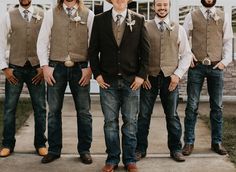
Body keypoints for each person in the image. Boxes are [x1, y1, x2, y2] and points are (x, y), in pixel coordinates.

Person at [88, 0, 150, 170]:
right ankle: (112, 159)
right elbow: (93, 50)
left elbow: (146, 51)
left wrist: (141, 76)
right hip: (108, 81)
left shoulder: (139, 19)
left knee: (130, 122)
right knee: (110, 123)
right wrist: (97, 75)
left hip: (132, 81)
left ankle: (130, 160)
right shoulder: (100, 20)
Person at [37, 0, 94, 164]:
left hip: (81, 67)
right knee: (54, 111)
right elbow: (42, 41)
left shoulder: (88, 14)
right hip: (56, 67)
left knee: (84, 111)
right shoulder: (50, 14)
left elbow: (94, 43)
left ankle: (84, 150)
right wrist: (45, 66)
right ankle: (54, 150)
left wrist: (90, 68)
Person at [135, 0, 192, 163]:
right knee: (144, 116)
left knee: (172, 116)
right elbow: (136, 53)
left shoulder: (178, 28)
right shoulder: (144, 26)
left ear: (169, 6)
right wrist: (142, 74)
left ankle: (175, 149)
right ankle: (140, 149)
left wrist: (178, 75)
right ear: (154, 6)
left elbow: (187, 54)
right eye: (158, 4)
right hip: (149, 79)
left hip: (170, 79)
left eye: (165, 5)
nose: (162, 8)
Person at [182, 0, 233, 156]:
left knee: (217, 106)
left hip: (216, 67)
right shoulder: (192, 15)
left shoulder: (223, 16)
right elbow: (184, 39)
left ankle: (216, 142)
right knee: (192, 106)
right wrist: (188, 57)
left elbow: (227, 41)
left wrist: (225, 62)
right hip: (196, 67)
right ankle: (189, 142)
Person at [0, 0, 47, 157]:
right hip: (15, 69)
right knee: (9, 108)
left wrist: (44, 66)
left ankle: (40, 143)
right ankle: (7, 144)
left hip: (36, 69)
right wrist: (5, 68)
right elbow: (0, 42)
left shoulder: (42, 14)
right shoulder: (8, 16)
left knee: (40, 108)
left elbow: (49, 41)